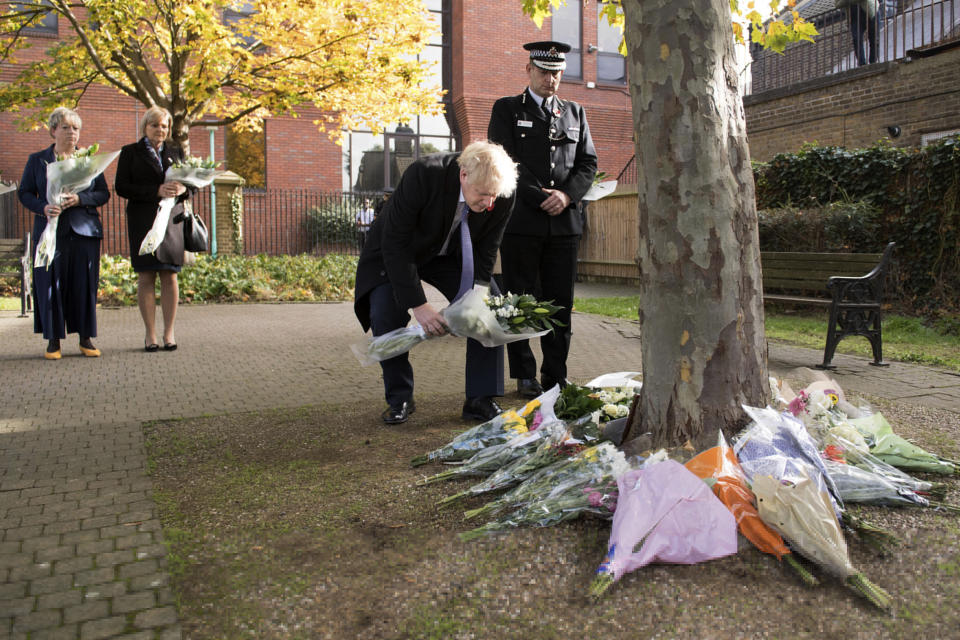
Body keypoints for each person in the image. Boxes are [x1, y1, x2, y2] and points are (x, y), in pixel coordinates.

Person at [354, 140, 518, 425]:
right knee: (385, 314)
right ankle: (400, 397)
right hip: (397, 252)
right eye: (482, 195)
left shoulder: (501, 193)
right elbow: (395, 243)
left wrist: (472, 300)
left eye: (494, 196)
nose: (489, 203)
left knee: (490, 308)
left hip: (448, 256)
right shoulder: (423, 174)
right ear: (463, 175)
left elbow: (488, 248)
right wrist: (419, 305)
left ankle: (480, 398)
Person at [487, 41, 598, 398]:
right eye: (545, 72)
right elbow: (505, 161)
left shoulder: (575, 112)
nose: (552, 79)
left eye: (557, 73)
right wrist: (541, 197)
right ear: (529, 71)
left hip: (564, 226)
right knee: (519, 301)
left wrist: (566, 196)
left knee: (560, 303)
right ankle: (524, 375)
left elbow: (587, 164)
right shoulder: (505, 109)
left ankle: (555, 374)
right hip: (522, 223)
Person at [18, 107, 110, 360]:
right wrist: (43, 207)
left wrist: (80, 199)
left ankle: (86, 339)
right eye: (66, 127)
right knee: (51, 284)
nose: (72, 132)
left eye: (76, 128)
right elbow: (24, 192)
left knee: (84, 284)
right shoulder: (37, 160)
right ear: (53, 130)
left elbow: (103, 193)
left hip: (84, 232)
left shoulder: (89, 160)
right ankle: (53, 341)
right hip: (50, 231)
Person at [115, 105, 192, 352]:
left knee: (169, 275)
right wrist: (155, 191)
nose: (160, 129)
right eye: (155, 125)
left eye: (164, 126)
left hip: (172, 222)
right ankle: (151, 335)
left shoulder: (176, 151)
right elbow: (122, 187)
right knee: (146, 276)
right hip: (143, 221)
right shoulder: (130, 153)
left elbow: (193, 183)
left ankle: (169, 333)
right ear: (145, 126)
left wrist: (184, 190)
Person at [837, 0, 879, 66]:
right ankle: (862, 64)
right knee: (856, 39)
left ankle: (873, 62)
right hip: (854, 17)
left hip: (870, 11)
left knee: (874, 39)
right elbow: (837, 4)